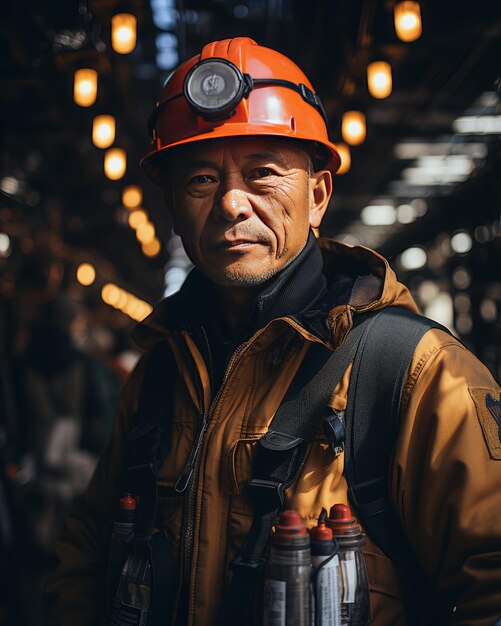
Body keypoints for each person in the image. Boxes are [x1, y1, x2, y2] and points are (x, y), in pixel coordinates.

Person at [45, 37, 501, 626]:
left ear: (317, 196)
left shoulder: (418, 374)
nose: (232, 203)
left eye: (262, 173)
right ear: (175, 209)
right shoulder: (160, 373)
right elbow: (88, 551)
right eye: (201, 180)